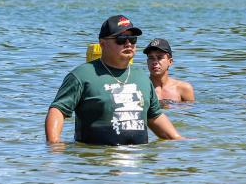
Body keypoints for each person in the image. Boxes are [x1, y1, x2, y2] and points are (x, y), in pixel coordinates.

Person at [45, 15, 183, 145]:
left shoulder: (142, 78)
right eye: (121, 39)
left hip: (139, 158)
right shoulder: (82, 75)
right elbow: (58, 110)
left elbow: (154, 116)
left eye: (132, 39)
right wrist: (54, 144)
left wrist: (180, 141)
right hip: (98, 157)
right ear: (102, 43)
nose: (128, 43)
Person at [144, 38, 195, 102]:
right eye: (151, 58)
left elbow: (190, 108)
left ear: (170, 62)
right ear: (147, 62)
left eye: (159, 57)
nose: (154, 62)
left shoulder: (183, 89)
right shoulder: (140, 88)